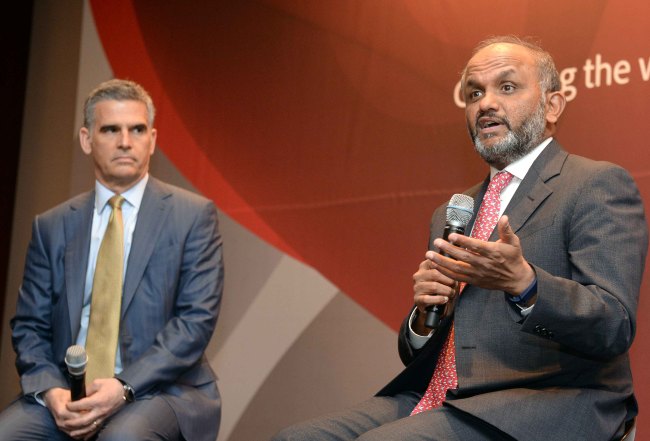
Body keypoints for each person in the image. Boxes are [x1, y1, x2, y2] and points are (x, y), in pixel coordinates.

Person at [272, 35, 648, 441]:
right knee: (295, 438)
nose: (485, 103)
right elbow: (422, 351)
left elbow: (614, 325)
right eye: (474, 92)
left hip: (546, 399)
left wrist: (525, 284)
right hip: (443, 396)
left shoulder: (594, 184)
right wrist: (423, 316)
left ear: (552, 105)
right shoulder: (455, 211)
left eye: (507, 87)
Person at [0, 79, 224, 441]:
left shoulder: (193, 216)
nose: (125, 141)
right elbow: (29, 326)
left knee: (121, 438)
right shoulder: (52, 225)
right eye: (111, 129)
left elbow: (195, 323)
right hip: (68, 392)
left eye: (137, 129)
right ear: (87, 139)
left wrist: (123, 387)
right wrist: (49, 391)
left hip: (161, 389)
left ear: (152, 138)